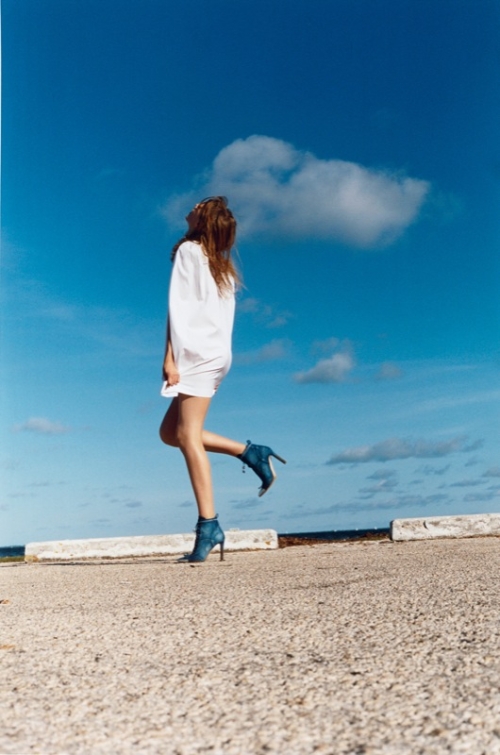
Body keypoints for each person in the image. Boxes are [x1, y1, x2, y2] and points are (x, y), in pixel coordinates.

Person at [159, 196, 286, 563]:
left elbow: (177, 310)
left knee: (187, 437)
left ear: (203, 222)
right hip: (215, 354)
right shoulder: (223, 268)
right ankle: (249, 452)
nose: (191, 206)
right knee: (170, 433)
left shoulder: (189, 251)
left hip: (196, 354)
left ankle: (209, 525)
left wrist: (169, 358)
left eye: (198, 207)